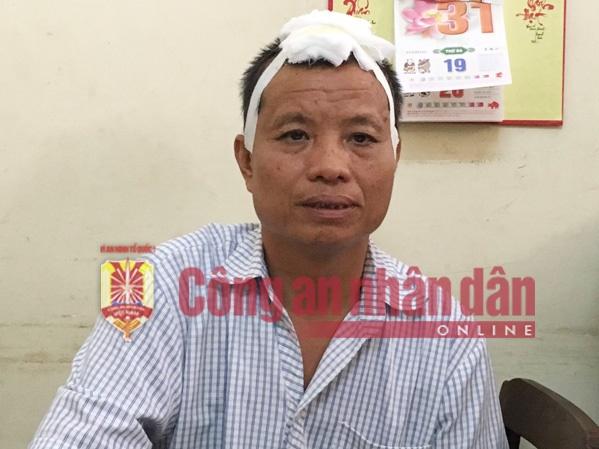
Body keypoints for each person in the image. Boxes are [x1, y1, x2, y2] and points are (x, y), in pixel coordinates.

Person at [29, 10, 509, 449]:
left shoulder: (446, 339)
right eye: (295, 135)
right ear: (247, 161)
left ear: (395, 159)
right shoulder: (160, 285)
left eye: (361, 137)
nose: (329, 166)